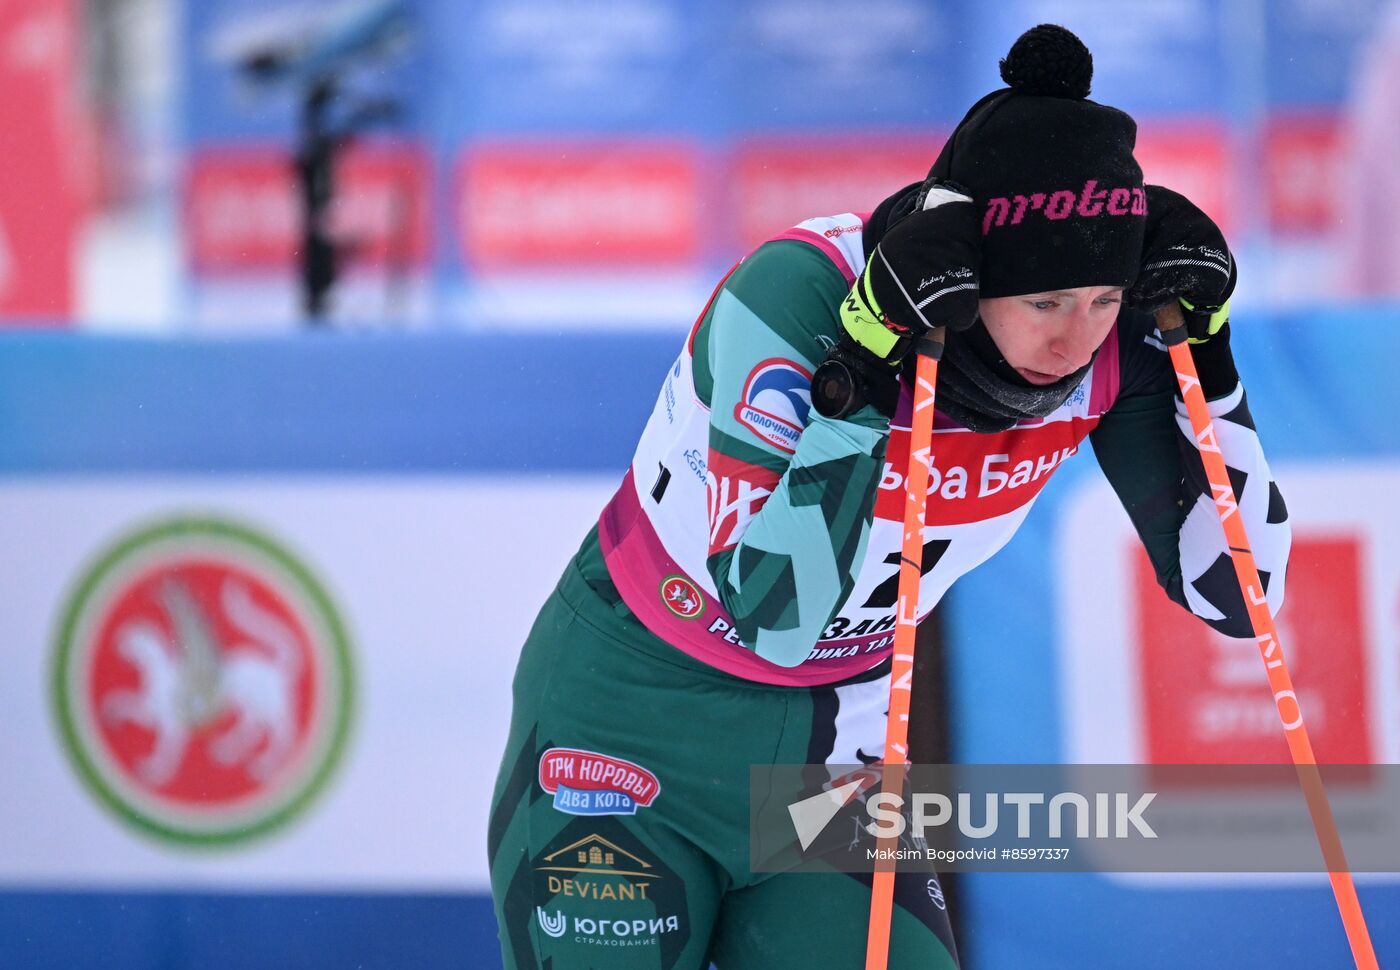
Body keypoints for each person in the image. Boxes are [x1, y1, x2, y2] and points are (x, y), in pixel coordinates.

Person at [488, 24, 1291, 970]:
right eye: (1044, 303)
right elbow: (773, 616)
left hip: (830, 760)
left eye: (1104, 299)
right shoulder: (798, 293)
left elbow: (1239, 594)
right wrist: (865, 372)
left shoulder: (1110, 349)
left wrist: (1210, 360)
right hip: (634, 723)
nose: (1076, 339)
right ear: (978, 276)